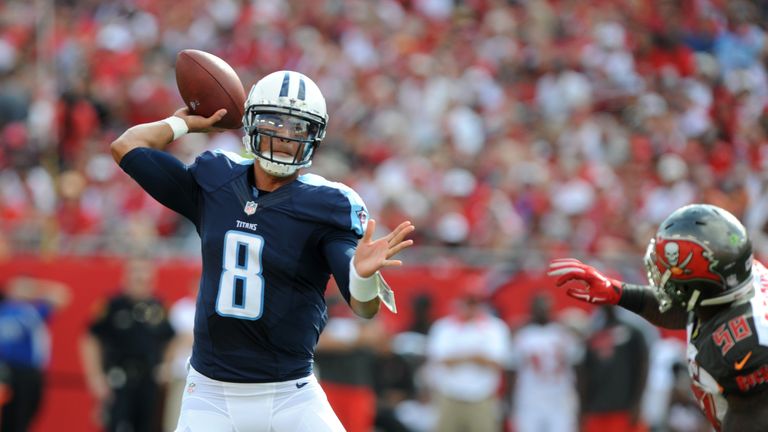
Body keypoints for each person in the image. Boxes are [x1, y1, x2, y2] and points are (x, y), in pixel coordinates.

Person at [109, 69, 415, 431]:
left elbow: (364, 308)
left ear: (315, 136)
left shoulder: (328, 203)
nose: (284, 136)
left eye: (298, 127)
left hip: (291, 393)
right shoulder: (215, 179)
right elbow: (126, 147)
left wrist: (363, 276)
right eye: (273, 121)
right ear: (251, 120)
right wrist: (183, 125)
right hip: (210, 394)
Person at [548, 203, 768, 432]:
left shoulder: (745, 346)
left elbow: (750, 420)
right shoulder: (732, 283)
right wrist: (618, 292)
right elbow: (684, 308)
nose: (661, 272)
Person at [80, 258, 176, 432]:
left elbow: (171, 338)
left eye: (146, 279)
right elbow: (90, 340)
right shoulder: (112, 305)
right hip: (118, 378)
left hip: (149, 379)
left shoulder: (159, 307)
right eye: (137, 278)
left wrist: (166, 366)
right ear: (126, 278)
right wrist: (95, 376)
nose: (141, 283)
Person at [425, 285, 511, 432]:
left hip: (482, 395)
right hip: (449, 394)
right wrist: (476, 356)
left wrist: (461, 357)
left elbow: (497, 361)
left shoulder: (495, 327)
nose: (471, 307)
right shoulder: (444, 326)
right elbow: (442, 359)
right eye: (468, 301)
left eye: (475, 302)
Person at [0, 276, 70, 432]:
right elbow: (62, 294)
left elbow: (62, 295)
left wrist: (34, 288)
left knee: (20, 418)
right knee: (13, 420)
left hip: (23, 373)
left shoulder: (27, 310)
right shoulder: (14, 309)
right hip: (11, 373)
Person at [508, 293, 581, 432]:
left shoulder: (564, 333)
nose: (541, 311)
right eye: (538, 307)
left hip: (560, 399)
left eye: (544, 307)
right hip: (529, 399)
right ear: (531, 309)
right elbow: (511, 369)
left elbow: (578, 367)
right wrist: (510, 400)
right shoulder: (522, 334)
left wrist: (580, 399)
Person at [576, 306, 649, 432]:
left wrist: (637, 403)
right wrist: (582, 409)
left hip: (624, 409)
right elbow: (583, 374)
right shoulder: (592, 335)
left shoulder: (632, 332)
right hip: (596, 410)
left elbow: (642, 367)